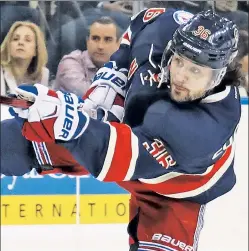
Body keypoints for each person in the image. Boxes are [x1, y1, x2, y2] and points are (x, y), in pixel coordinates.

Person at [1, 9, 244, 251]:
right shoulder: (163, 26)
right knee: (13, 141)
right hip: (123, 135)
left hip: (175, 191)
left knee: (62, 129)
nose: (180, 76)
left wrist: (68, 121)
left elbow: (115, 158)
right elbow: (139, 26)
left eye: (195, 71)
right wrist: (111, 79)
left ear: (218, 77)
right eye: (179, 61)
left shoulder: (207, 128)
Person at [54, 16, 120, 97]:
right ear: (87, 41)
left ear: (118, 44)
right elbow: (90, 97)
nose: (100, 46)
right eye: (95, 38)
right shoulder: (70, 62)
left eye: (107, 39)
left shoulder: (123, 66)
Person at [1, 21, 49, 96]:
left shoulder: (43, 75)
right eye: (15, 39)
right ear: (8, 46)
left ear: (36, 50)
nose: (20, 43)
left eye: (27, 40)